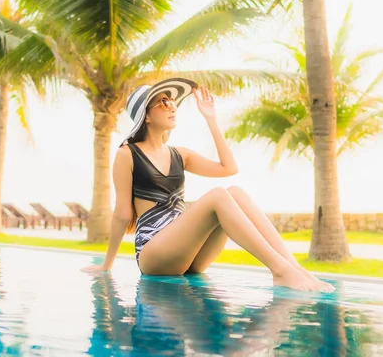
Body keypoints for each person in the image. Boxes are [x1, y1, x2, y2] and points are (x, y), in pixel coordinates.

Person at [82, 78, 333, 292]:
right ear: (145, 116)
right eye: (163, 102)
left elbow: (229, 168)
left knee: (235, 192)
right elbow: (122, 213)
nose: (172, 106)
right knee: (218, 196)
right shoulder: (127, 154)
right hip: (154, 252)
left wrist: (211, 119)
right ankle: (279, 271)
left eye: (172, 101)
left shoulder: (180, 154)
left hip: (187, 255)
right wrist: (107, 264)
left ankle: (294, 269)